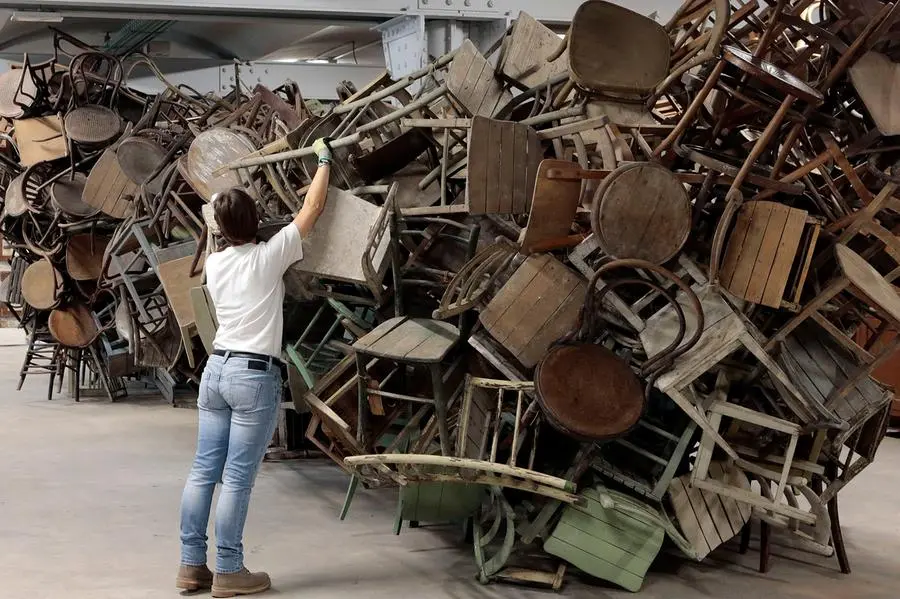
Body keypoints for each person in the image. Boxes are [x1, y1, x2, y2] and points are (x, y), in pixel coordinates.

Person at [176, 139, 333, 597]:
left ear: (220, 229)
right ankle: (229, 570)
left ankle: (191, 566)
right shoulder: (270, 256)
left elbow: (217, 219)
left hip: (216, 371)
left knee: (204, 470)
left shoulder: (216, 264)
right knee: (238, 477)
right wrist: (324, 160)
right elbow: (314, 206)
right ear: (257, 223)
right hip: (252, 376)